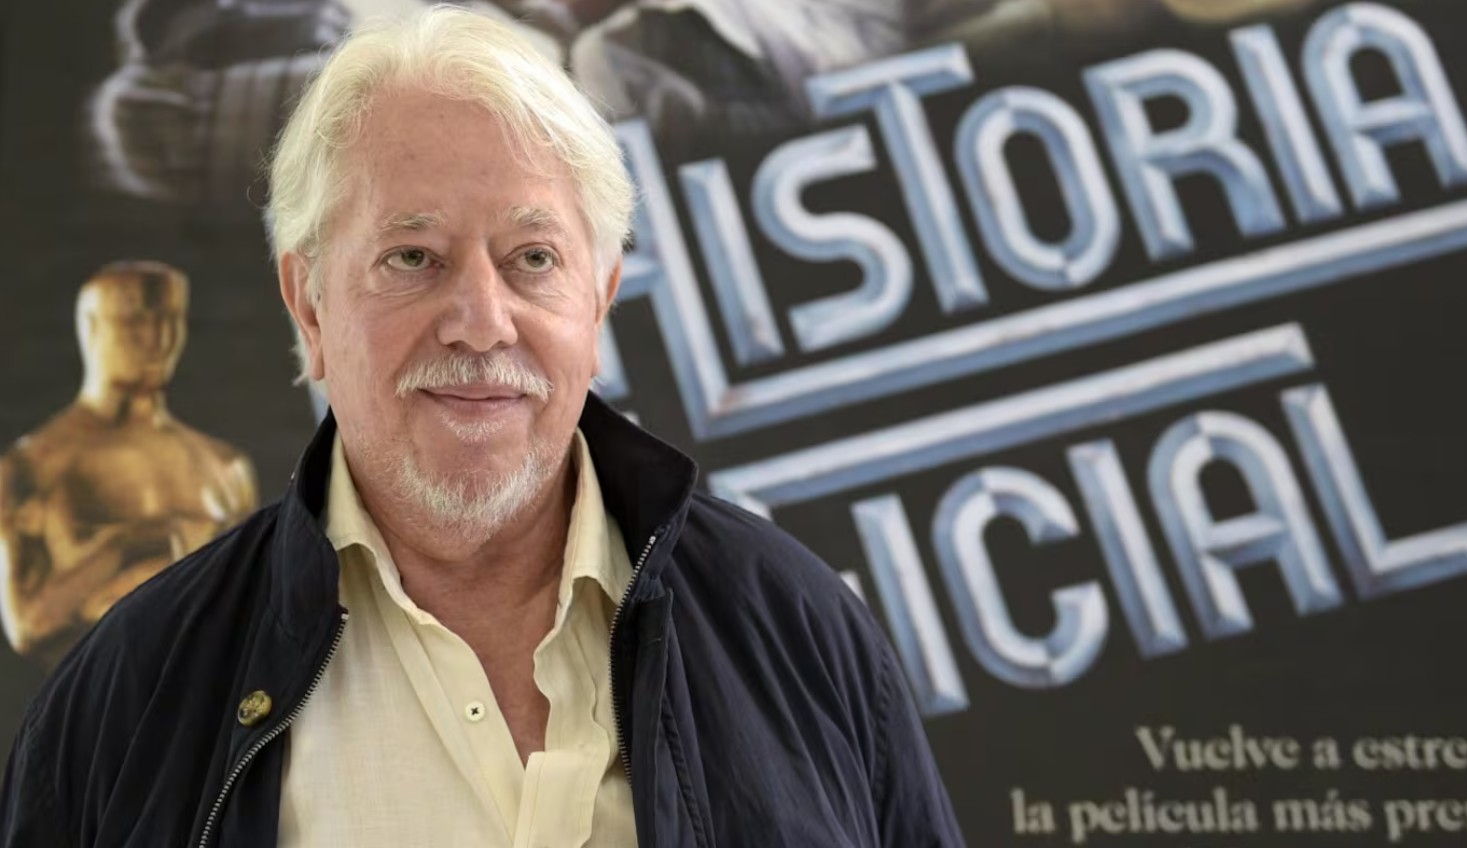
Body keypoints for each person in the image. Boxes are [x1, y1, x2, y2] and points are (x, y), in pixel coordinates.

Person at [0, 7, 965, 846]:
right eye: (413, 256)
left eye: (533, 257)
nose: (480, 321)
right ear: (310, 307)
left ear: (600, 302)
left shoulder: (799, 630)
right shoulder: (127, 699)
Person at [0, 261, 257, 669]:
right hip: (95, 698)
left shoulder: (224, 466)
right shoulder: (34, 466)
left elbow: (252, 612)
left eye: (170, 320)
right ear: (91, 327)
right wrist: (137, 543)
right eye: (134, 322)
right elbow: (28, 626)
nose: (158, 340)